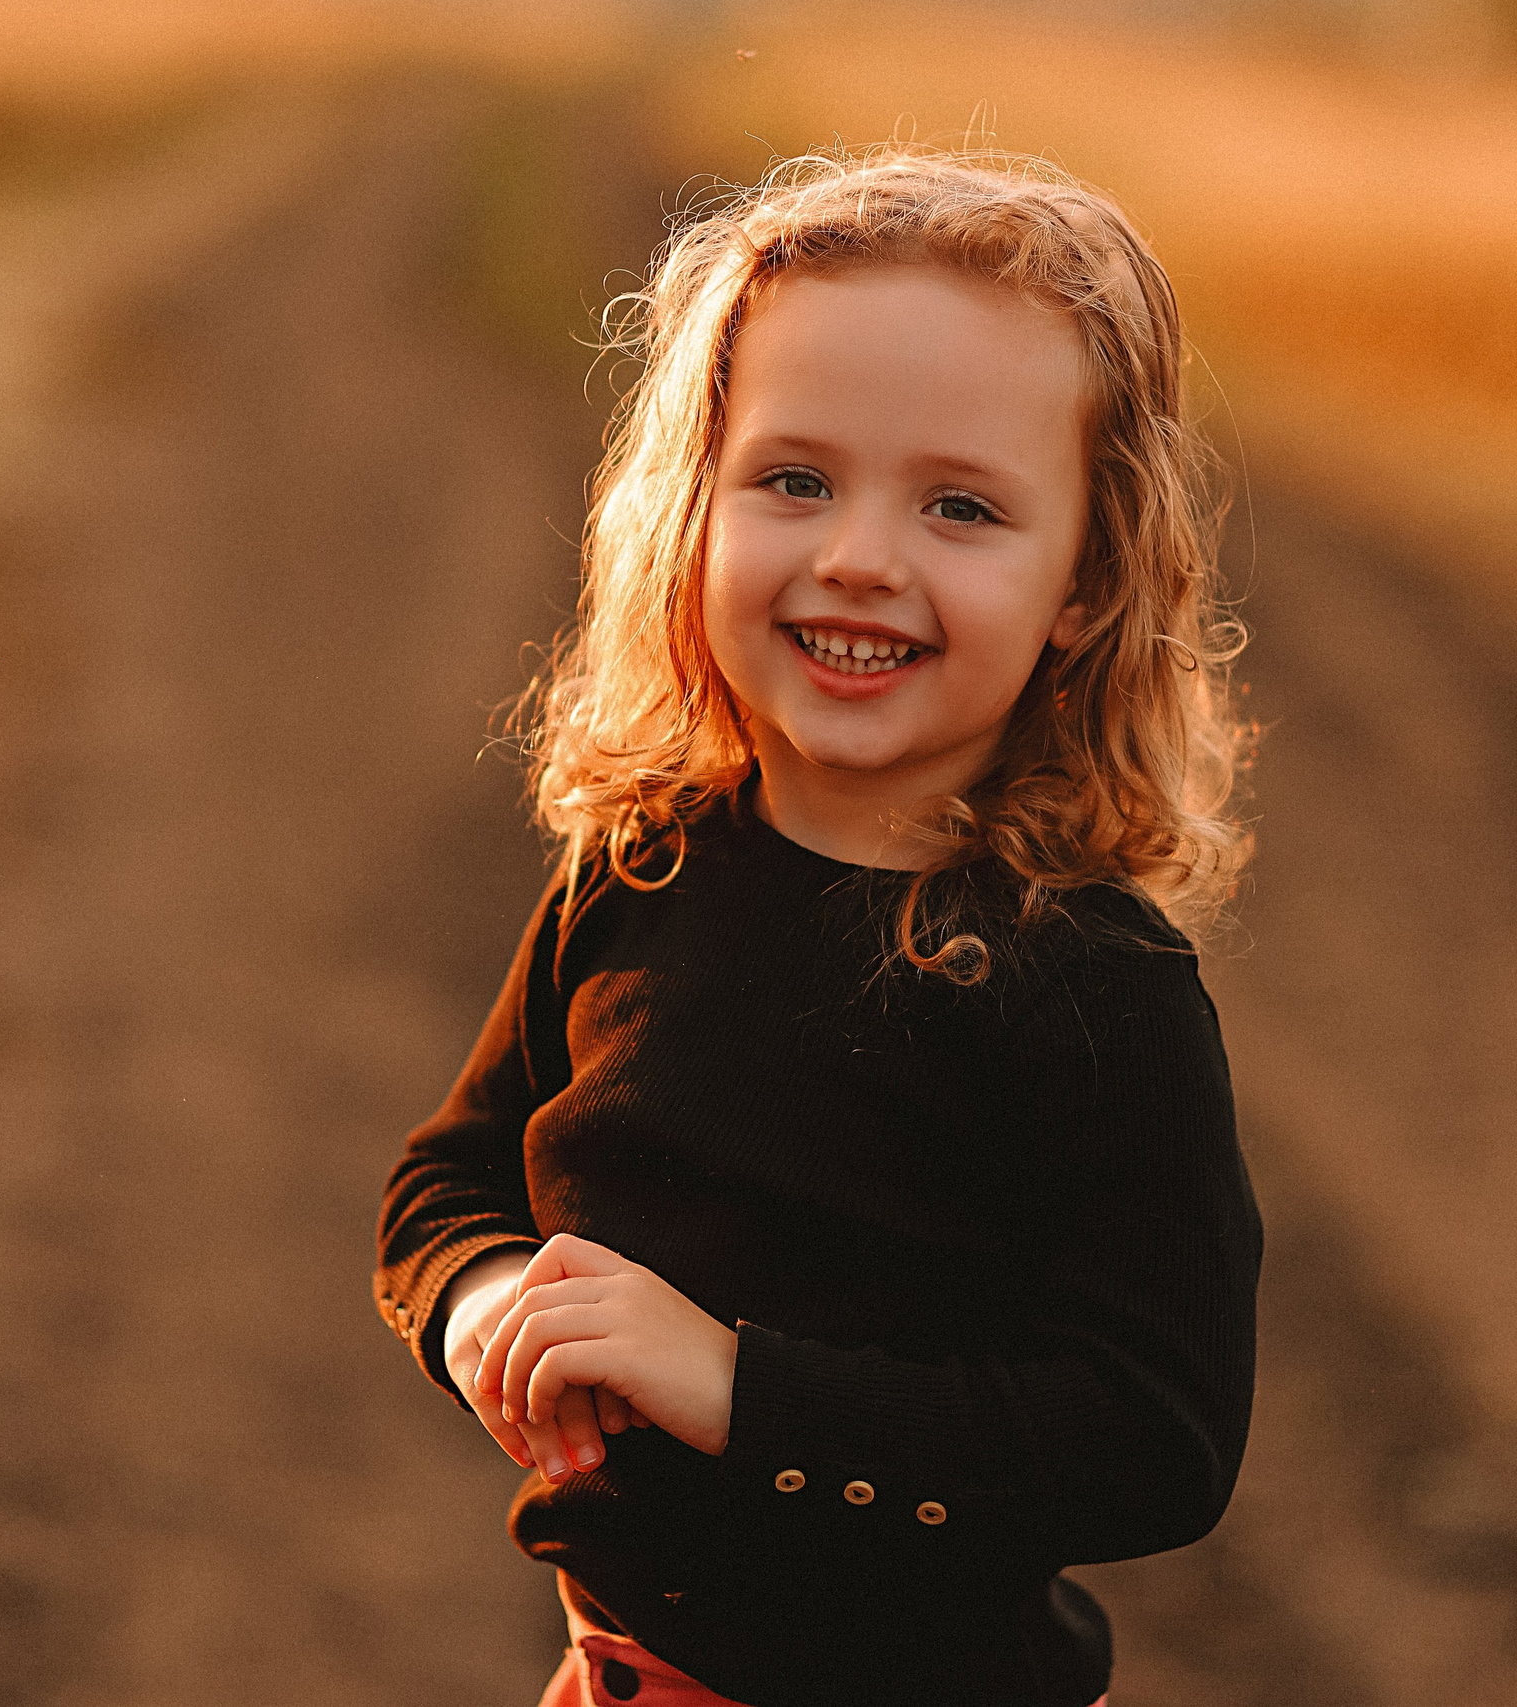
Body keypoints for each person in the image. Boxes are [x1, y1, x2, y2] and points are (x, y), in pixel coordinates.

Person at [373, 146, 1261, 1707]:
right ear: (693, 510)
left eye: (963, 507)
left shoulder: (1089, 982)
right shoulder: (640, 870)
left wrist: (736, 1388)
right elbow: (448, 1171)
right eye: (794, 480)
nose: (859, 555)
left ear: (1085, 581)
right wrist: (482, 1301)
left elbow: (1156, 1437)